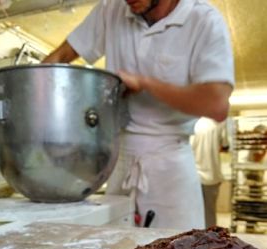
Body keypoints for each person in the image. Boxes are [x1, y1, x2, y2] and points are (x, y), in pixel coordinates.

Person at [43, 0, 234, 230]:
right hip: (119, 162)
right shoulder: (111, 8)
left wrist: (146, 83)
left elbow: (216, 104)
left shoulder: (203, 20)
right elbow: (57, 58)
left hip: (170, 169)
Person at [190, 117, 230, 228]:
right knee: (209, 214)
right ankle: (210, 242)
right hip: (212, 177)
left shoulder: (191, 124)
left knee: (191, 214)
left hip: (192, 176)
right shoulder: (219, 122)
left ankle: (191, 242)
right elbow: (225, 146)